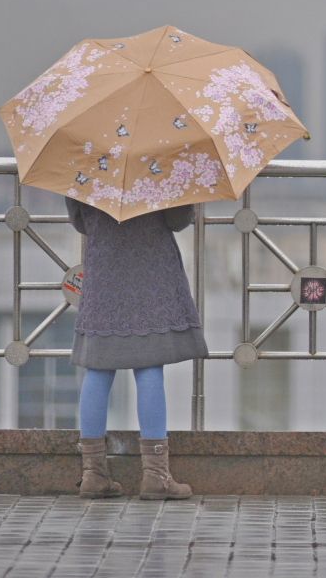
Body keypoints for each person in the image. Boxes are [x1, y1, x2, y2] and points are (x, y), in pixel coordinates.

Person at [68, 197, 208, 500]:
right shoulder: (158, 156)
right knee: (149, 365)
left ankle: (93, 473)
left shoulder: (87, 155)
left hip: (104, 269)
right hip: (150, 268)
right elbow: (177, 220)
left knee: (99, 367)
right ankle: (156, 475)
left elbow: (80, 221)